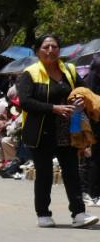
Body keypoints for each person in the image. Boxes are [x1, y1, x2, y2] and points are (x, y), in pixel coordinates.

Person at [15, 33, 98, 228]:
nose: (50, 50)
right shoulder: (30, 73)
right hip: (41, 132)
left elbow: (84, 90)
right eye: (46, 47)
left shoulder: (69, 70)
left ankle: (79, 213)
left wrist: (81, 100)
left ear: (59, 50)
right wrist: (54, 108)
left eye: (54, 46)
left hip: (68, 129)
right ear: (38, 51)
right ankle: (43, 213)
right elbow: (25, 102)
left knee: (72, 172)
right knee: (44, 174)